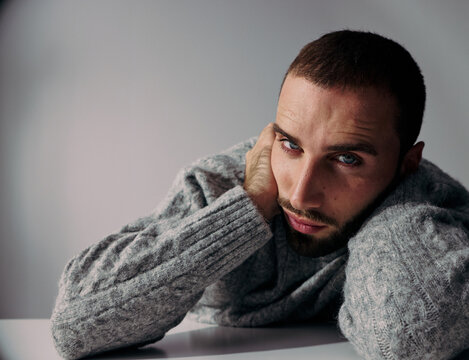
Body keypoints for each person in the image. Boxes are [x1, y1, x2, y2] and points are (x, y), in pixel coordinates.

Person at [51, 30, 469, 360]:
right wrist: (248, 205)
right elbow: (74, 324)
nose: (302, 194)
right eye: (291, 145)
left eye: (346, 159)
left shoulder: (430, 213)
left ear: (407, 164)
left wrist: (397, 201)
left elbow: (415, 336)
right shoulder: (223, 185)